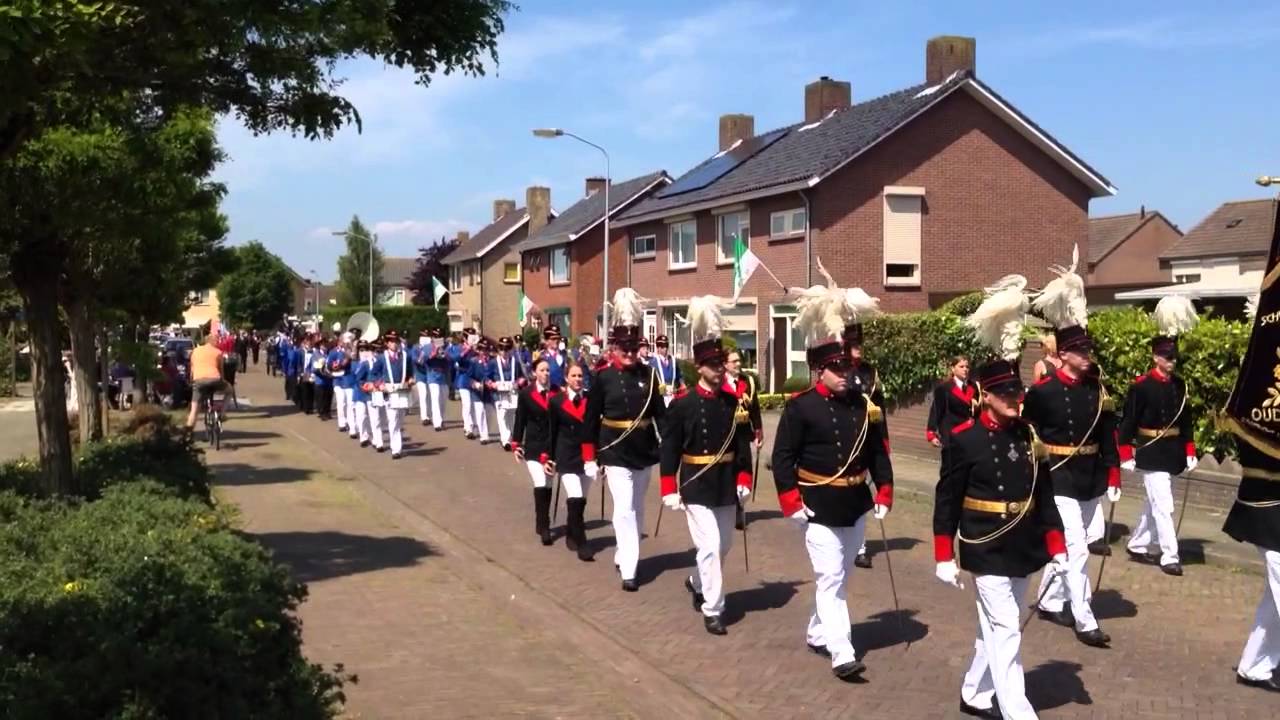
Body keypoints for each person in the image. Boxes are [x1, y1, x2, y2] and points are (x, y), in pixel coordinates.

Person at [934, 278, 1066, 720]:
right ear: (985, 396)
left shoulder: (1030, 437)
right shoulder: (964, 440)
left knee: (991, 627)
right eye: (1006, 394)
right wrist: (942, 552)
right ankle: (1017, 709)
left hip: (1024, 544)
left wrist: (1057, 545)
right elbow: (947, 499)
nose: (1016, 400)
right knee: (1007, 627)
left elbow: (1044, 495)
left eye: (1018, 393)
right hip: (983, 544)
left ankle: (974, 692)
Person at [770, 288, 893, 680]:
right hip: (818, 504)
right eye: (838, 370)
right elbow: (783, 459)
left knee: (843, 577)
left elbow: (876, 452)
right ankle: (842, 652)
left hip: (855, 503)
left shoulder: (862, 404)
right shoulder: (800, 406)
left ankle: (817, 631)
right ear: (820, 370)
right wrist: (791, 502)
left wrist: (885, 489)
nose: (847, 375)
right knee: (831, 578)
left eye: (848, 369)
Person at [1023, 248, 1119, 649]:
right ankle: (1085, 618)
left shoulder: (1098, 389)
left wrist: (1113, 474)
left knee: (1068, 546)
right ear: (1063, 354)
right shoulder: (1043, 393)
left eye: (1088, 351)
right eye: (1080, 351)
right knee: (1077, 549)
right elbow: (1026, 435)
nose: (1087, 356)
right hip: (1057, 475)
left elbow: (1109, 433)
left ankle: (1050, 600)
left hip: (1090, 476)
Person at [660, 297, 752, 636]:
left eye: (720, 364)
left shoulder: (733, 401)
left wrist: (745, 476)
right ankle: (713, 609)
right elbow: (669, 446)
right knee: (711, 545)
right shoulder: (684, 405)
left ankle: (698, 581)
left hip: (726, 481)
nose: (719, 369)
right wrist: (668, 486)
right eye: (713, 364)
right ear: (699, 367)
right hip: (696, 483)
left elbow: (742, 444)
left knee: (722, 546)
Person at [584, 289, 665, 592]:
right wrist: (590, 457)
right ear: (615, 346)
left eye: (634, 346)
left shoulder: (650, 374)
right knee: (624, 508)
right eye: (624, 347)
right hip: (614, 450)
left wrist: (671, 447)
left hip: (643, 449)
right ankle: (630, 566)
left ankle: (623, 551)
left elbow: (661, 416)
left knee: (638, 506)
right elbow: (590, 419)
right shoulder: (603, 377)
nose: (630, 352)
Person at [1118, 296, 1200, 578]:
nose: (1172, 361)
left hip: (1173, 451)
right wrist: (1125, 452)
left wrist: (1190, 449)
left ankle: (1138, 543)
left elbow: (1186, 420)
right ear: (1155, 357)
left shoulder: (1180, 385)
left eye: (1174, 357)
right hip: (1151, 451)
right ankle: (1169, 555)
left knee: (1154, 503)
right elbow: (1128, 419)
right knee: (1164, 505)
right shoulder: (1141, 386)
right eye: (1167, 356)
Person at [844, 317, 889, 570]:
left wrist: (884, 438)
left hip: (869, 439)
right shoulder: (840, 371)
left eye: (860, 344)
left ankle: (860, 548)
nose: (859, 348)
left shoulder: (870, 372)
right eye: (854, 344)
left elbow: (879, 408)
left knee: (864, 492)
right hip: (848, 439)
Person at [549, 361, 597, 561]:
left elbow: (597, 429)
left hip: (587, 456)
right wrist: (549, 458)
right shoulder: (556, 401)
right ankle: (582, 541)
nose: (578, 379)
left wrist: (599, 456)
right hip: (566, 455)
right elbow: (552, 432)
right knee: (575, 497)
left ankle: (571, 530)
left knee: (582, 499)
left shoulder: (591, 400)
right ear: (566, 378)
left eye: (580, 376)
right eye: (574, 376)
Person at [510, 356, 559, 546]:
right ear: (534, 373)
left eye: (548, 370)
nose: (545, 374)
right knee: (540, 482)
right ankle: (544, 525)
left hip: (552, 447)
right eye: (542, 370)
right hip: (533, 446)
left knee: (548, 485)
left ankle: (541, 521)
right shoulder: (526, 394)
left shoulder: (556, 392)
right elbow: (520, 419)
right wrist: (516, 443)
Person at [374, 331, 413, 459]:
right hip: (389, 391)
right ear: (387, 343)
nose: (394, 344)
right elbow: (373, 373)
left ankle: (396, 442)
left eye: (396, 341)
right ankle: (396, 449)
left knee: (400, 419)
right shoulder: (381, 357)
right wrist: (380, 384)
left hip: (402, 390)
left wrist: (411, 379)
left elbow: (410, 372)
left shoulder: (405, 356)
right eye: (391, 341)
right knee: (393, 419)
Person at [926, 356, 978, 448]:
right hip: (951, 437)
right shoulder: (944, 388)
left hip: (971, 436)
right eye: (961, 367)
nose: (965, 369)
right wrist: (931, 434)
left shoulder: (974, 387)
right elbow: (936, 412)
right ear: (953, 369)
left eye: (967, 367)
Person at [186, 333, 226, 429]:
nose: (218, 342)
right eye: (217, 340)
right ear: (212, 341)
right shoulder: (218, 352)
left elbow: (192, 369)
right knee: (229, 391)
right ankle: (222, 413)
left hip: (199, 380)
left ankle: (187, 434)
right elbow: (221, 370)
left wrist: (191, 381)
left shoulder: (195, 351)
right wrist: (223, 381)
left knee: (194, 409)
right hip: (215, 379)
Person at [493, 337, 526, 450]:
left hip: (512, 392)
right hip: (499, 394)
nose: (504, 351)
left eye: (507, 349)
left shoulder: (515, 362)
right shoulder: (493, 362)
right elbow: (486, 376)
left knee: (511, 416)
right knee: (501, 416)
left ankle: (512, 437)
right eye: (502, 348)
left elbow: (522, 377)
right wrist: (492, 384)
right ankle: (505, 440)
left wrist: (519, 382)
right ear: (498, 349)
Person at [469, 338, 496, 444]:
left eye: (486, 350)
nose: (483, 352)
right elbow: (469, 376)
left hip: (489, 391)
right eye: (481, 349)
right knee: (480, 412)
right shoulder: (473, 361)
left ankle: (486, 431)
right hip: (477, 391)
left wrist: (492, 383)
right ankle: (483, 436)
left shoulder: (493, 361)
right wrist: (475, 384)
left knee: (489, 413)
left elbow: (495, 375)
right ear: (478, 350)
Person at [450, 331, 477, 438]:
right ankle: (468, 427)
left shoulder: (476, 348)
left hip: (474, 379)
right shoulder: (458, 348)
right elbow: (454, 359)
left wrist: (476, 350)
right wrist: (466, 350)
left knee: (474, 405)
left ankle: (474, 425)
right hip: (463, 379)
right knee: (467, 404)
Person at [422, 328, 450, 432]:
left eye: (441, 337)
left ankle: (441, 419)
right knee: (435, 397)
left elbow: (452, 359)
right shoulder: (427, 347)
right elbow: (421, 361)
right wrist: (432, 354)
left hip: (443, 375)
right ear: (432, 338)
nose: (439, 339)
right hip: (432, 374)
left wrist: (446, 354)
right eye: (437, 337)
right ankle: (437, 423)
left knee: (443, 400)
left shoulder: (446, 346)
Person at [329, 333, 356, 437]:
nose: (348, 343)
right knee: (341, 403)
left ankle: (352, 427)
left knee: (351, 404)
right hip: (338, 381)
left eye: (350, 341)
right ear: (341, 341)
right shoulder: (334, 352)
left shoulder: (354, 352)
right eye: (346, 341)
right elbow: (329, 365)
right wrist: (335, 366)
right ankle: (342, 423)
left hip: (349, 381)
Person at [352, 341, 377, 448]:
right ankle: (363, 437)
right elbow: (356, 375)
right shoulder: (355, 362)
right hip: (359, 393)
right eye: (361, 350)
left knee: (373, 417)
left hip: (371, 393)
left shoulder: (372, 361)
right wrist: (362, 363)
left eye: (366, 349)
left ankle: (374, 437)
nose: (364, 352)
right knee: (361, 417)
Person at [651, 335, 681, 407]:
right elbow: (652, 383)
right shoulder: (653, 362)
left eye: (666, 346)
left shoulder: (673, 361)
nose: (665, 348)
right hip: (660, 399)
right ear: (658, 348)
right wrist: (664, 390)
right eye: (662, 346)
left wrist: (679, 387)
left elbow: (679, 377)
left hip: (673, 397)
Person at [312, 336, 333, 421]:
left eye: (325, 344)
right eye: (322, 344)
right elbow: (314, 367)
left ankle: (327, 412)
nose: (324, 345)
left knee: (328, 397)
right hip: (320, 380)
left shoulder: (329, 354)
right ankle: (322, 413)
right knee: (321, 397)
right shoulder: (316, 354)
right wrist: (322, 372)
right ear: (320, 345)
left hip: (329, 380)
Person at [298, 336, 317, 414]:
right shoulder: (301, 351)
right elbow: (299, 363)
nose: (309, 343)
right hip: (304, 373)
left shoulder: (314, 351)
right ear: (305, 342)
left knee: (311, 391)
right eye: (307, 341)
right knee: (305, 391)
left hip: (312, 373)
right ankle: (306, 408)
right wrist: (299, 373)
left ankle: (310, 407)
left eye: (310, 341)